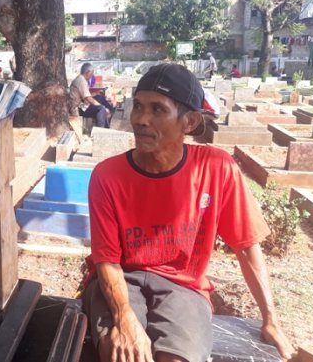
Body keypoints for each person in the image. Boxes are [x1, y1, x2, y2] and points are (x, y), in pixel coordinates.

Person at [82, 63, 295, 362]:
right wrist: (125, 319)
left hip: (183, 286)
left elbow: (246, 246)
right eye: (138, 107)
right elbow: (107, 259)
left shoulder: (216, 168)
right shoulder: (108, 175)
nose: (141, 120)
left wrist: (270, 319)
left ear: (190, 121)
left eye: (157, 110)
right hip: (122, 278)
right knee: (121, 352)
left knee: (178, 358)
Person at [70, 63, 110, 128]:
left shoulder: (80, 79)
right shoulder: (81, 81)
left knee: (99, 98)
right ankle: (101, 130)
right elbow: (89, 99)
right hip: (78, 108)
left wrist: (96, 93)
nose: (92, 76)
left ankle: (107, 121)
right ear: (88, 72)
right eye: (91, 74)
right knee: (101, 109)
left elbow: (85, 95)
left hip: (81, 104)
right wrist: (103, 107)